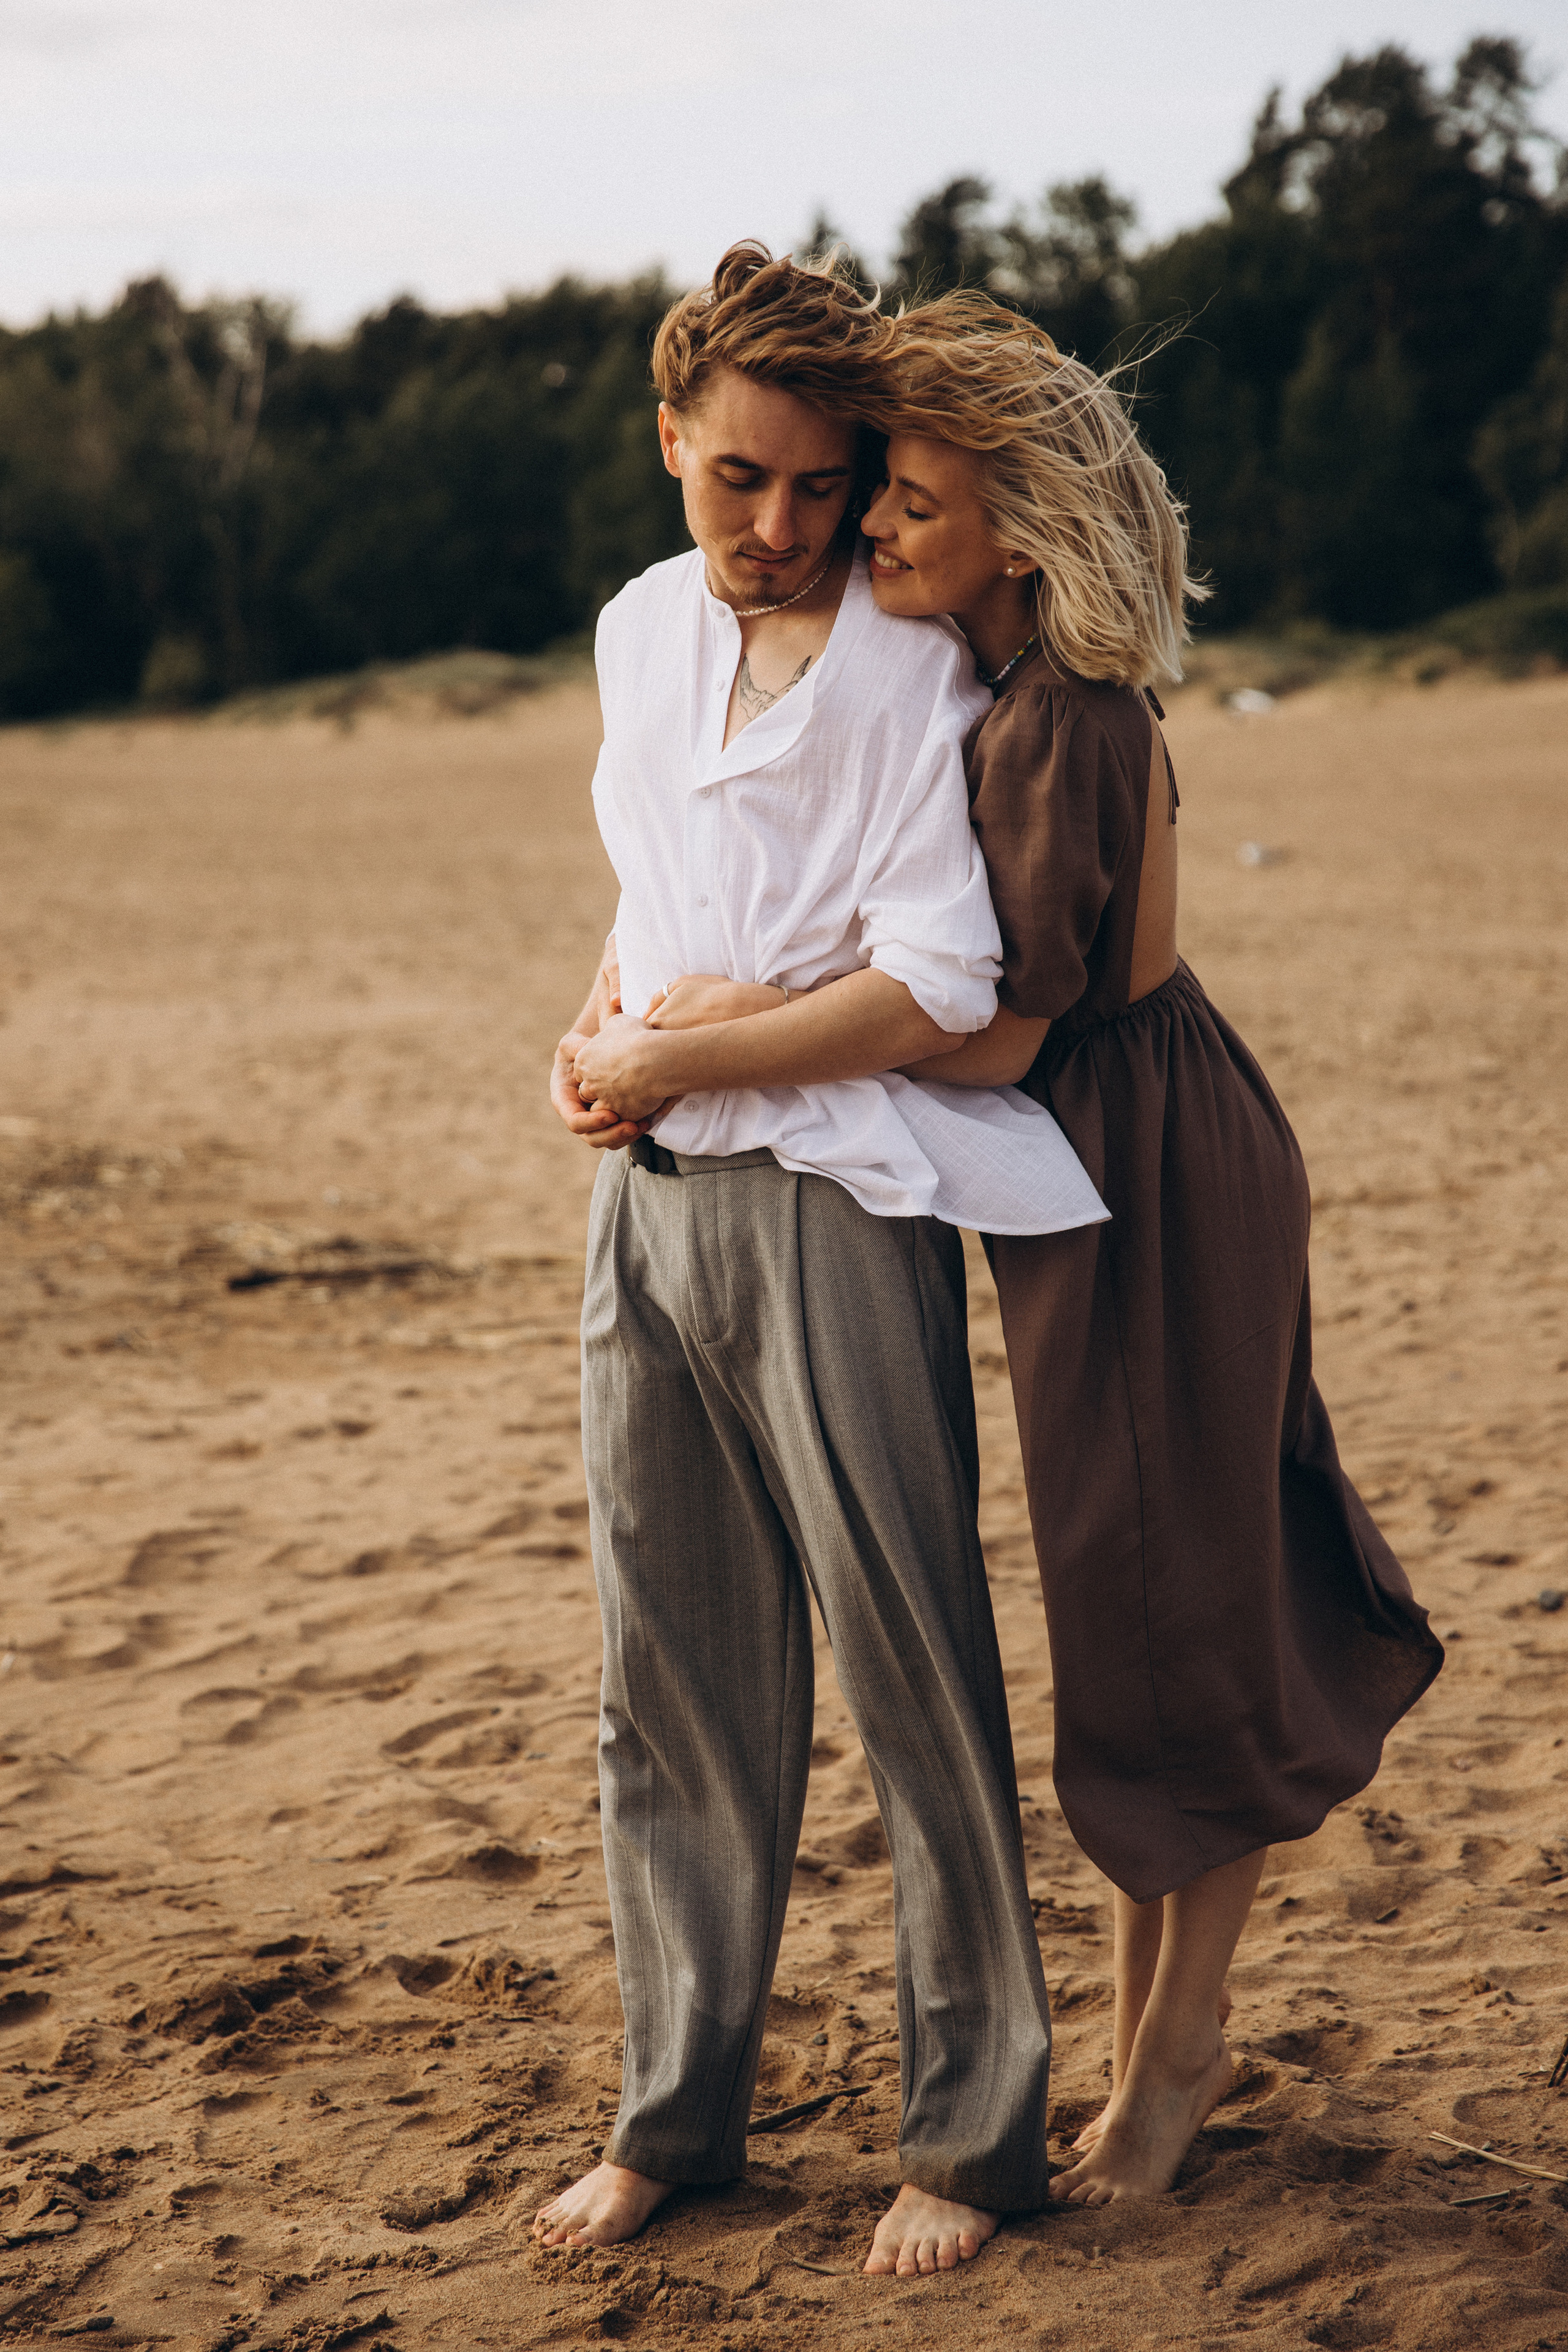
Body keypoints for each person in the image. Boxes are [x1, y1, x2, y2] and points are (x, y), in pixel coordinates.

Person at [616, 292, 1444, 2209]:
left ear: (1023, 526)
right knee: (1137, 1597)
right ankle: (1165, 2038)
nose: (861, 534)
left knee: (1181, 1615)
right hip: (1116, 1153)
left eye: (903, 502)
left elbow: (989, 1031)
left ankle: (1176, 2058)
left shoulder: (1064, 719)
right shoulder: (1017, 689)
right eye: (862, 494)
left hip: (1145, 1167)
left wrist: (717, 1023)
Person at [537, 246, 1107, 2276]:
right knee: (667, 1681)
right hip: (651, 1205)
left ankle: (972, 2137)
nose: (782, 530)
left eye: (819, 486)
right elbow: (653, 889)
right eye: (738, 484)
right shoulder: (628, 635)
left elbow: (934, 979)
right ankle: (675, 2120)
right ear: (669, 444)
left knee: (912, 1665)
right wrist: (595, 1042)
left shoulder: (902, 665)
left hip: (841, 1204)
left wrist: (690, 1047)